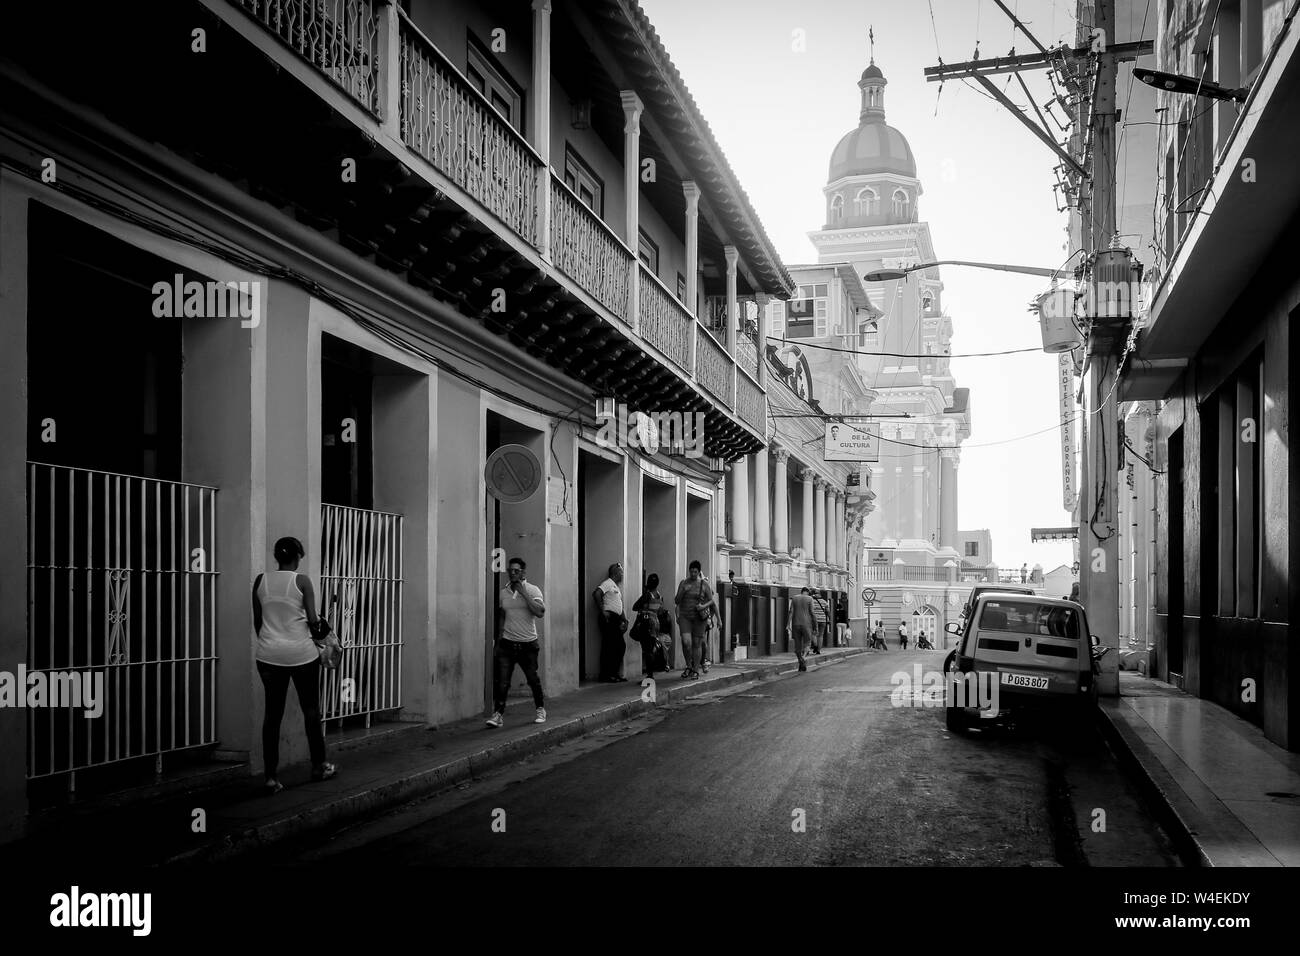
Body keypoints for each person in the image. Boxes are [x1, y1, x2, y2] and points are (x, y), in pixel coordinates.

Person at [252, 536, 336, 794]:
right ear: (298, 556)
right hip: (300, 654)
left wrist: (272, 639)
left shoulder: (260, 581)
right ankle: (319, 766)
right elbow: (313, 621)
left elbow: (258, 621)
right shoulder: (302, 581)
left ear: (277, 556)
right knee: (310, 710)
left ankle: (270, 777)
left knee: (272, 716)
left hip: (267, 655)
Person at [487, 557, 547, 728]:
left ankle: (540, 709)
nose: (513, 573)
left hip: (528, 644)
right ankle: (498, 715)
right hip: (507, 643)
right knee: (503, 681)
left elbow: (540, 612)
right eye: (510, 570)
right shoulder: (503, 592)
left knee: (532, 679)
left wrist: (523, 592)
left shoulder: (533, 590)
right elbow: (502, 615)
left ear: (523, 572)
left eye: (516, 570)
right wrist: (498, 640)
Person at [674, 560, 715, 680]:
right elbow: (676, 601)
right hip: (685, 616)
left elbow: (711, 600)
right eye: (691, 571)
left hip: (699, 618)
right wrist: (683, 590)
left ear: (698, 572)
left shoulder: (704, 584)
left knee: (697, 644)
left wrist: (703, 606)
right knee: (687, 642)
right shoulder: (683, 583)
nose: (693, 574)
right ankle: (688, 665)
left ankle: (696, 669)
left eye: (695, 572)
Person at [593, 562, 627, 683]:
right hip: (609, 618)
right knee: (609, 646)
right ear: (615, 573)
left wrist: (624, 619)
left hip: (616, 619)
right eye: (621, 572)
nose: (622, 574)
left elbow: (619, 606)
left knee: (619, 646)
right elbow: (596, 593)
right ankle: (606, 675)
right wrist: (602, 610)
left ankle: (614, 673)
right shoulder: (607, 583)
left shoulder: (616, 587)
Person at [632, 573, 669, 678]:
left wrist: (644, 607)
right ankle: (650, 674)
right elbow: (661, 611)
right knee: (650, 649)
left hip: (646, 623)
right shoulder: (659, 596)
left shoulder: (647, 595)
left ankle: (650, 675)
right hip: (655, 624)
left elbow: (634, 607)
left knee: (647, 650)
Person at [787, 587, 816, 672]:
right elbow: (812, 612)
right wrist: (815, 625)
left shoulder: (795, 598)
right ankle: (803, 658)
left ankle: (800, 662)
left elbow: (791, 611)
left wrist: (788, 624)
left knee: (797, 646)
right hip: (807, 625)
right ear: (807, 592)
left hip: (796, 624)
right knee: (807, 644)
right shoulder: (810, 599)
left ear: (801, 592)